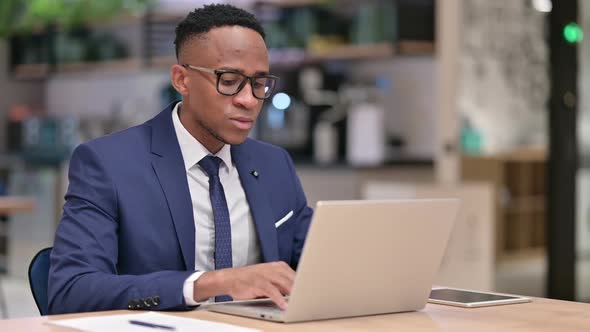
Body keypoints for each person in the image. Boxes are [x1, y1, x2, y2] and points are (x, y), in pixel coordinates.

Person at [48, 4, 312, 314]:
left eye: (258, 84)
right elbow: (71, 291)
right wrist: (209, 284)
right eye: (229, 81)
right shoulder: (108, 164)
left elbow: (321, 264)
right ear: (181, 80)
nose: (248, 100)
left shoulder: (273, 163)